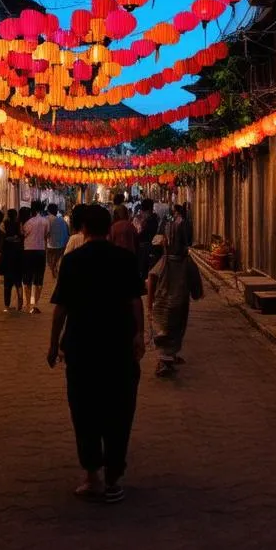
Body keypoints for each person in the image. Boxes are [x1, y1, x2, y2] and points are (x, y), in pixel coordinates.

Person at [47, 204, 145, 503]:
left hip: (82, 347)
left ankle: (93, 476)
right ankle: (114, 479)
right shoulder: (125, 260)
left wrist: (53, 344)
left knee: (85, 411)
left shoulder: (73, 261)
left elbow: (61, 308)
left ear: (84, 229)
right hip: (119, 346)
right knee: (119, 411)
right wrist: (140, 335)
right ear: (109, 227)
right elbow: (135, 302)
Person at [146, 232, 200, 377]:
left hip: (161, 304)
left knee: (164, 332)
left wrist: (149, 304)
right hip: (179, 304)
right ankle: (165, 361)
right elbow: (196, 287)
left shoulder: (165, 261)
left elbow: (151, 277)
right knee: (173, 333)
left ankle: (166, 359)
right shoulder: (187, 263)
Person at [22, 201, 50, 313]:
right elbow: (46, 235)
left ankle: (28, 304)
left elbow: (24, 234)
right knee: (39, 279)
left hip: (28, 251)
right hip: (41, 251)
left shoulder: (28, 222)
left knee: (27, 278)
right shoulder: (45, 221)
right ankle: (36, 304)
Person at [1, 208, 24, 311]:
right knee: (18, 282)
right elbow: (21, 236)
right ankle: (20, 304)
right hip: (18, 255)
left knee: (7, 283)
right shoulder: (19, 224)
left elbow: (2, 238)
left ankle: (7, 305)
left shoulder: (3, 224)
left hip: (7, 256)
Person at [135, 198, 160, 278]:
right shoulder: (152, 219)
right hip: (147, 247)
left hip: (146, 248)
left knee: (145, 270)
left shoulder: (151, 220)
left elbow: (144, 234)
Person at [46, 202, 70, 279]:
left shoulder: (46, 219)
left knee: (50, 259)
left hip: (50, 245)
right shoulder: (62, 221)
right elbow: (67, 233)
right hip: (61, 246)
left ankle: (53, 268)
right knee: (56, 258)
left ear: (48, 211)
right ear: (56, 211)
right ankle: (54, 267)